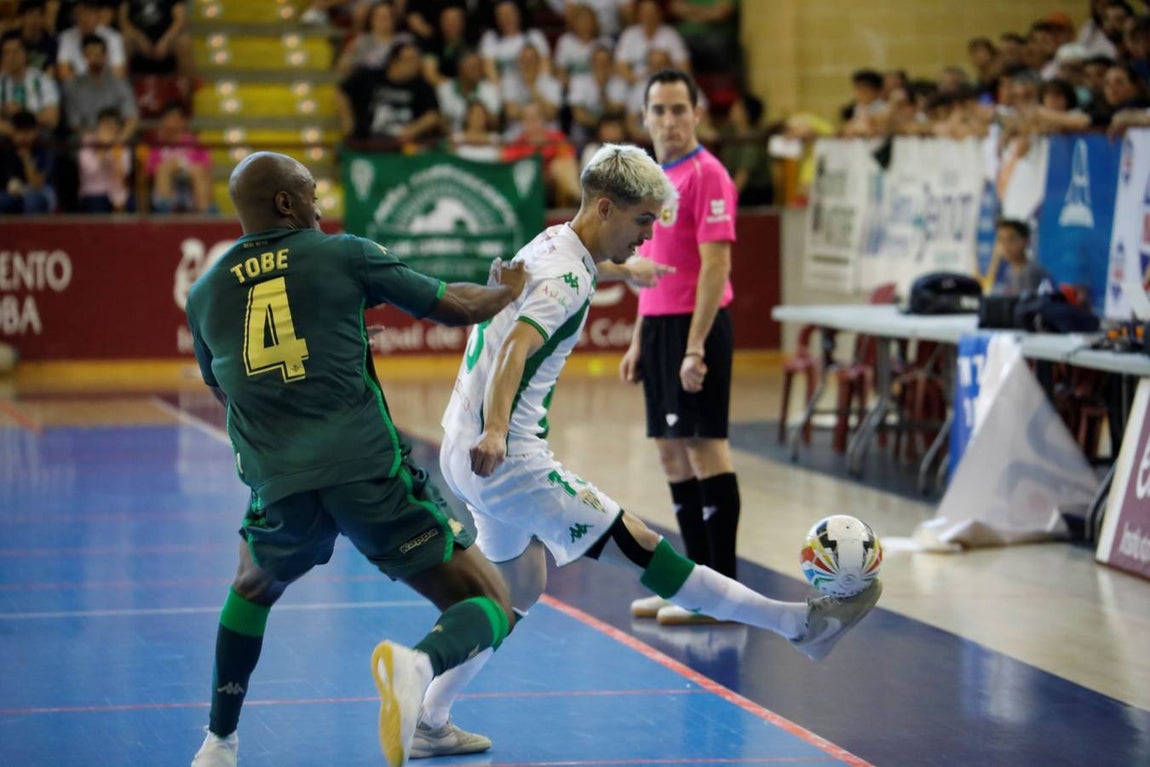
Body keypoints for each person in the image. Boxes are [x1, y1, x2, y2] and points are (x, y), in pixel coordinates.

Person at [409, 142, 882, 758]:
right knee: (642, 546)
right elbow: (513, 351)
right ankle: (802, 626)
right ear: (606, 207)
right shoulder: (565, 276)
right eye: (642, 222)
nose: (649, 236)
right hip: (505, 459)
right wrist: (498, 429)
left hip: (459, 447)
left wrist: (624, 270)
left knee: (519, 586)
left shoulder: (557, 243)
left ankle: (430, 721)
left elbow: (555, 281)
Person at [185, 151, 529, 767]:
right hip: (368, 471)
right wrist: (508, 290)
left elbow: (221, 388)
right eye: (311, 193)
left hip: (280, 482)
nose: (320, 204)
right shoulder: (343, 253)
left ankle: (219, 742)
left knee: (252, 586)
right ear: (287, 204)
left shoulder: (205, 292)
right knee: (491, 604)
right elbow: (459, 306)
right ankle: (417, 669)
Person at [620, 68, 742, 624]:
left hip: (700, 325)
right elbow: (653, 268)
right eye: (658, 110)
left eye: (677, 109)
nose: (668, 120)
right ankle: (692, 588)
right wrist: (639, 337)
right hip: (662, 324)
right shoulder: (652, 179)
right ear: (644, 117)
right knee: (671, 453)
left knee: (703, 447)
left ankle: (723, 593)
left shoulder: (707, 175)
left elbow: (716, 266)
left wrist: (695, 348)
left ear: (696, 114)